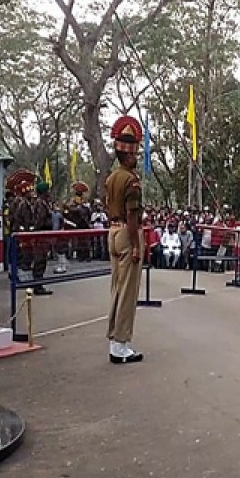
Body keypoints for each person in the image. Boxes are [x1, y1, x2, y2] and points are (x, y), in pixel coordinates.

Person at [105, 115, 145, 364]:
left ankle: (114, 340)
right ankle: (121, 344)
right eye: (135, 154)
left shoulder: (111, 178)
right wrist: (138, 245)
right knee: (128, 292)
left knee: (117, 289)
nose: (137, 158)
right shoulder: (131, 181)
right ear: (128, 155)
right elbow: (133, 215)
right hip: (127, 234)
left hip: (112, 232)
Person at [31, 181, 54, 295]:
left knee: (41, 260)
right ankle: (38, 286)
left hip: (43, 235)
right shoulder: (41, 203)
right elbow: (40, 220)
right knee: (40, 260)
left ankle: (38, 283)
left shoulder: (43, 202)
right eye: (47, 190)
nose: (49, 193)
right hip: (41, 235)